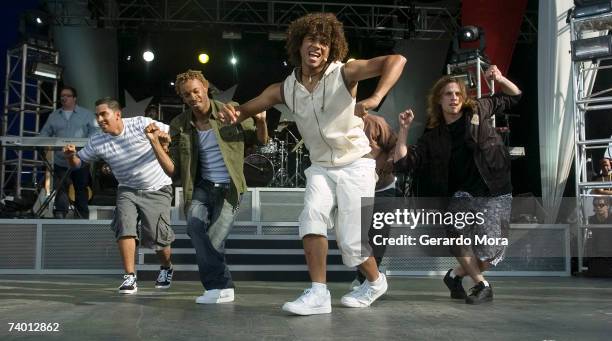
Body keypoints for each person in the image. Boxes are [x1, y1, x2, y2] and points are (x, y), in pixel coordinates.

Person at [218, 12, 406, 315]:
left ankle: (375, 281)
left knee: (351, 241)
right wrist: (233, 114)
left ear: (332, 48)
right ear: (299, 44)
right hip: (320, 166)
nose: (317, 46)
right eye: (311, 39)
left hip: (355, 163)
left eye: (323, 41)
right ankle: (318, 293)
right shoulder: (285, 88)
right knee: (311, 218)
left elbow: (396, 60)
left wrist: (376, 98)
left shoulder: (344, 73)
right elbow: (243, 111)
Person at [393, 65, 521, 304]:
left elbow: (514, 96)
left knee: (491, 253)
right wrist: (403, 130)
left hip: (495, 189)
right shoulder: (433, 137)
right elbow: (403, 162)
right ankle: (482, 285)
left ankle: (454, 275)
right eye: (448, 94)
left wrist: (501, 78)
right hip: (461, 194)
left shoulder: (479, 109)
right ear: (438, 100)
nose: (454, 98)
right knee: (456, 232)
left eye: (458, 94)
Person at [147, 69, 268, 304]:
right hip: (201, 187)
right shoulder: (180, 124)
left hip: (230, 187)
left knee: (213, 239)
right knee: (194, 227)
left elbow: (260, 140)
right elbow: (174, 171)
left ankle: (219, 287)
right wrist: (155, 145)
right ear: (183, 98)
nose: (193, 97)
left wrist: (262, 121)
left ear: (205, 88)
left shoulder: (229, 110)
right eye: (186, 94)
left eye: (196, 91)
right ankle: (222, 287)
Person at [63, 97, 175, 295]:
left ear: (117, 114)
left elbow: (170, 132)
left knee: (159, 238)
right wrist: (71, 156)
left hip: (156, 187)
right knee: (125, 226)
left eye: (103, 114)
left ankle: (166, 267)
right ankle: (129, 277)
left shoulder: (140, 123)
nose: (99, 119)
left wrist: (162, 139)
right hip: (127, 189)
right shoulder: (98, 140)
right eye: (97, 115)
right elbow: (78, 163)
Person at [352, 112, 399, 286]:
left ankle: (368, 280)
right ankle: (363, 275)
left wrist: (391, 159)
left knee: (379, 234)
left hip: (383, 186)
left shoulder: (375, 122)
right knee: (358, 235)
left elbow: (395, 144)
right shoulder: (336, 124)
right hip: (355, 188)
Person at [39, 86, 99, 219]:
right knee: (61, 189)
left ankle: (82, 218)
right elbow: (44, 134)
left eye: (67, 95)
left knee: (81, 188)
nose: (63, 98)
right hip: (61, 159)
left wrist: (84, 145)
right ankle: (60, 216)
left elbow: (95, 132)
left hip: (80, 158)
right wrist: (44, 142)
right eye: (62, 96)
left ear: (74, 98)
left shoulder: (87, 114)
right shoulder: (54, 116)